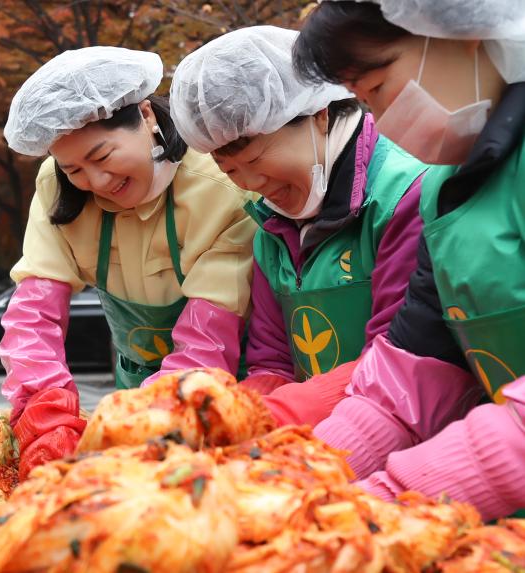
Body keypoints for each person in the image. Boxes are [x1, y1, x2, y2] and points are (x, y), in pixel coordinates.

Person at [292, 0, 525, 520]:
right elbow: (416, 365)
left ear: (460, 30)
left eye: (376, 87)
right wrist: (302, 473)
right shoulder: (446, 190)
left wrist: (400, 491)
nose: (380, 118)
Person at [0, 46, 258, 479]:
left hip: (218, 393)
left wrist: (147, 422)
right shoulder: (57, 187)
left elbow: (206, 340)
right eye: (74, 169)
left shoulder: (219, 186)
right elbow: (33, 315)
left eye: (102, 157)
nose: (97, 182)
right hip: (131, 388)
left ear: (146, 115)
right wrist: (44, 408)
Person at [169, 26, 427, 426]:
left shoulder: (403, 197)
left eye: (255, 161)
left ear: (319, 114)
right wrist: (243, 418)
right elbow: (271, 360)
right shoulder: (273, 230)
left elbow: (400, 353)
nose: (251, 184)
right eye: (229, 169)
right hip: (316, 438)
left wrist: (283, 414)